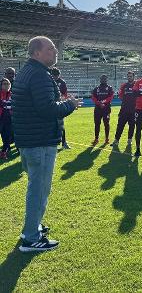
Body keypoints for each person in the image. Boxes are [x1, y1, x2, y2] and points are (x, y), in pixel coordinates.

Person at [12, 36, 82, 252]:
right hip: (39, 141)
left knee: (37, 187)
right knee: (39, 189)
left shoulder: (27, 71)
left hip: (29, 139)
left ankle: (32, 228)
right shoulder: (39, 75)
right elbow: (47, 109)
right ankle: (31, 238)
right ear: (37, 53)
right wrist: (69, 105)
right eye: (51, 48)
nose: (55, 51)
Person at [111, 71, 136, 149]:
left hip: (133, 110)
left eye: (131, 76)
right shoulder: (124, 85)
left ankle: (129, 140)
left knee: (131, 126)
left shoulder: (137, 85)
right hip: (124, 109)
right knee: (120, 125)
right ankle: (116, 140)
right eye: (128, 76)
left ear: (133, 77)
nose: (129, 77)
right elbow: (121, 95)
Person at [51, 67, 70, 149]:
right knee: (49, 124)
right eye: (54, 75)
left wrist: (61, 99)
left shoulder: (62, 82)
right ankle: (51, 143)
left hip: (58, 105)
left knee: (61, 124)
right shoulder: (48, 81)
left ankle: (64, 142)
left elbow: (65, 94)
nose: (56, 77)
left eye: (57, 75)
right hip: (49, 105)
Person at [91, 75, 114, 145]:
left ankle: (107, 139)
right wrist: (98, 103)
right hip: (98, 109)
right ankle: (96, 139)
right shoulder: (96, 88)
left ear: (106, 80)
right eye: (102, 79)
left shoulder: (109, 88)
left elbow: (111, 97)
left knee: (106, 124)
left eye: (104, 79)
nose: (103, 80)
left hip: (106, 109)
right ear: (100, 80)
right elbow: (93, 97)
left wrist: (103, 102)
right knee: (97, 124)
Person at [0, 78, 13, 159]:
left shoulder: (12, 94)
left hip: (8, 118)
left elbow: (11, 105)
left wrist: (4, 103)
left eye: (8, 84)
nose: (6, 85)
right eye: (4, 84)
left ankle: (3, 152)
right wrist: (6, 104)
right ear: (1, 85)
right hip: (0, 117)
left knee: (7, 136)